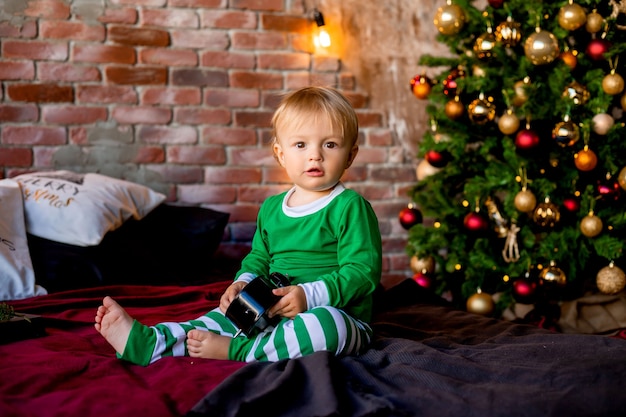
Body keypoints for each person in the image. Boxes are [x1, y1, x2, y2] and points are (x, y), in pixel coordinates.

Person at [94, 86, 383, 365]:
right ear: (281, 154)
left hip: (335, 311)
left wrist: (309, 295)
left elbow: (362, 271)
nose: (315, 155)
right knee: (218, 319)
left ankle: (240, 350)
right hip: (272, 308)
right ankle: (151, 343)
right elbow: (259, 257)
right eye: (300, 144)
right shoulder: (272, 208)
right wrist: (242, 282)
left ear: (350, 155)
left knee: (326, 329)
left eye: (330, 144)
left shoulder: (349, 206)